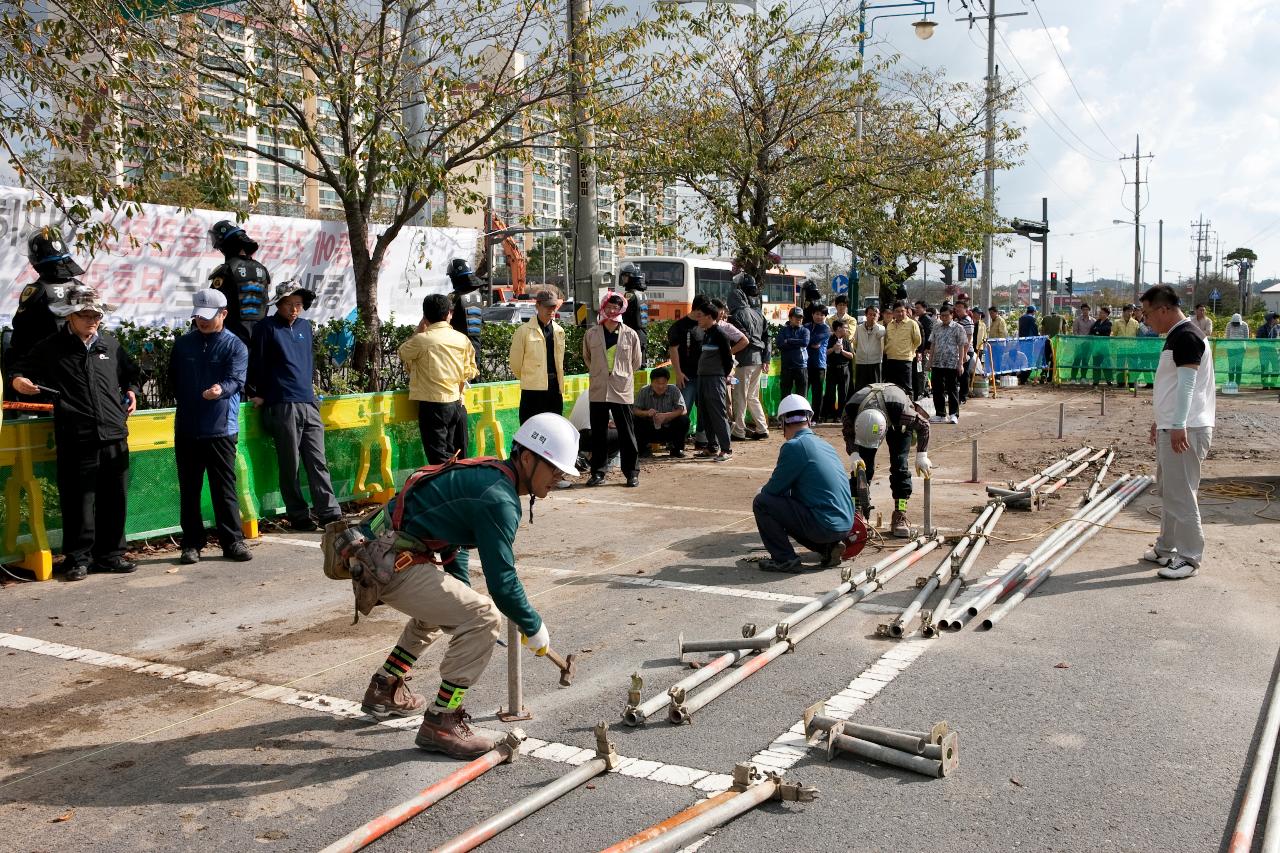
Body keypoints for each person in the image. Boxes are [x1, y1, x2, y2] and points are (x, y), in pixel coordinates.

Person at [329, 413, 579, 758]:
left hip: (378, 551)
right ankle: (441, 721)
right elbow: (503, 582)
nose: (559, 477)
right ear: (526, 457)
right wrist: (533, 625)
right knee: (484, 617)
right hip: (384, 560)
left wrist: (460, 600)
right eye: (554, 468)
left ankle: (385, 687)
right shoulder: (499, 499)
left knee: (453, 611)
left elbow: (450, 539)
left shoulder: (491, 474)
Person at [9, 286, 140, 581]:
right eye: (85, 315)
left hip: (114, 433)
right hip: (76, 436)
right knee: (78, 500)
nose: (92, 320)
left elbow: (131, 374)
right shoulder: (51, 347)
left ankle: (112, 554)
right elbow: (17, 369)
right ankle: (79, 558)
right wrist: (19, 382)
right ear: (70, 316)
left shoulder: (110, 345)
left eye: (96, 315)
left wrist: (132, 391)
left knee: (115, 498)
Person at [248, 281, 342, 531]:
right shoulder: (265, 328)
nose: (294, 309)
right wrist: (257, 393)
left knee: (317, 460)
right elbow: (256, 363)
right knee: (291, 464)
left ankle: (330, 513)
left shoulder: (305, 326)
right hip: (282, 403)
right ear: (278, 304)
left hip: (308, 401)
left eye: (298, 304)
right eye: (290, 304)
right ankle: (298, 515)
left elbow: (308, 363)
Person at [1139, 285, 1215, 580]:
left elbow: (1187, 386)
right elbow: (1174, 388)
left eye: (1147, 314)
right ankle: (1167, 547)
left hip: (1187, 427)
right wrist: (1163, 419)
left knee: (1182, 494)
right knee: (1170, 489)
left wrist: (1178, 423)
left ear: (1163, 310)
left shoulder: (1187, 336)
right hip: (1176, 424)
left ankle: (1189, 557)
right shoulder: (1177, 336)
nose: (1146, 320)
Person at [170, 289, 252, 564]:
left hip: (221, 428)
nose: (202, 322)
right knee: (190, 488)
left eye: (208, 317)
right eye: (198, 317)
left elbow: (237, 380)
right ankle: (191, 543)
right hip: (187, 428)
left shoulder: (235, 346)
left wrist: (221, 389)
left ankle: (233, 541)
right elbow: (172, 380)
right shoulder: (183, 345)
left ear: (223, 314)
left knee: (223, 487)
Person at [752, 394, 855, 573]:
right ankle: (828, 549)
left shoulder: (794, 446)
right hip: (845, 525)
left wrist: (763, 491)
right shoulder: (824, 444)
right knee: (793, 505)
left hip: (824, 525)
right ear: (809, 418)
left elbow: (773, 490)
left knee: (762, 503)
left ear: (783, 422)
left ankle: (785, 560)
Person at [841, 382, 933, 538]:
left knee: (900, 465)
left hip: (898, 423)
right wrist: (854, 454)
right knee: (862, 469)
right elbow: (848, 433)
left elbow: (924, 425)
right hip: (867, 418)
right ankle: (857, 511)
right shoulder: (851, 411)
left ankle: (900, 512)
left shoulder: (903, 413)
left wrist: (922, 455)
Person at [4, 230, 83, 403]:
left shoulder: (36, 291)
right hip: (79, 379)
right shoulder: (81, 288)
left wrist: (15, 375)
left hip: (45, 380)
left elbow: (20, 339)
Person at [400, 294, 478, 465]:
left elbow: (403, 352)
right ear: (449, 313)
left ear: (425, 317)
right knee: (455, 453)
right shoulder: (462, 339)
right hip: (457, 402)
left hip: (432, 404)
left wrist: (420, 329)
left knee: (438, 458)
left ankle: (446, 488)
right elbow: (471, 370)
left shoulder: (422, 340)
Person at [583, 292, 643, 486]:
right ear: (603, 307)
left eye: (615, 307)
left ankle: (631, 473)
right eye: (608, 306)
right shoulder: (592, 333)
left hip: (621, 388)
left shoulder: (630, 334)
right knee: (598, 432)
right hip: (599, 388)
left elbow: (636, 361)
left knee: (627, 432)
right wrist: (600, 372)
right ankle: (598, 472)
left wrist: (620, 373)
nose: (611, 310)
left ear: (621, 309)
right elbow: (587, 358)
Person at [692, 297, 747, 462]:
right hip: (703, 379)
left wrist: (721, 377)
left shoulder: (720, 334)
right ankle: (712, 447)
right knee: (705, 413)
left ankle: (726, 449)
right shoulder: (706, 334)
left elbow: (728, 359)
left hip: (714, 380)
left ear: (710, 317)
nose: (698, 318)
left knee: (717, 413)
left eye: (701, 315)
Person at [207, 220, 270, 344]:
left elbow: (211, 304)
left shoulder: (226, 270)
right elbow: (265, 303)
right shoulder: (262, 269)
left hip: (232, 337)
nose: (219, 248)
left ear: (226, 243)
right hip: (260, 337)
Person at [509, 288, 566, 424]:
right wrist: (530, 377)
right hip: (532, 389)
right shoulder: (523, 331)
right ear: (537, 305)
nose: (551, 311)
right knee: (530, 428)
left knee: (553, 428)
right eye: (547, 307)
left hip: (554, 388)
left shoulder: (559, 330)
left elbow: (560, 361)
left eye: (553, 307)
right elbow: (515, 363)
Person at [728, 274, 769, 440]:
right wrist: (766, 358)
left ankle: (738, 430)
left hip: (743, 361)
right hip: (758, 360)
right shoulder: (758, 314)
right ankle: (762, 427)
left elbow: (741, 339)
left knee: (740, 396)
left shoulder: (736, 315)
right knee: (752, 396)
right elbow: (767, 337)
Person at [667, 295, 710, 447]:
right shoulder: (680, 326)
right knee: (682, 409)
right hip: (686, 376)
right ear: (695, 309)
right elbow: (673, 350)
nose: (702, 315)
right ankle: (676, 442)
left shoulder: (706, 324)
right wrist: (678, 372)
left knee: (704, 409)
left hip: (704, 375)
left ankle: (702, 439)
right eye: (701, 312)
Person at [634, 367, 690, 458]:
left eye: (663, 383)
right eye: (657, 383)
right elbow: (635, 410)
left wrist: (667, 416)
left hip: (669, 427)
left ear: (667, 382)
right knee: (635, 419)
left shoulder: (674, 390)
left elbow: (683, 410)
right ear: (651, 382)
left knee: (684, 420)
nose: (660, 386)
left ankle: (677, 449)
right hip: (650, 427)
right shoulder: (644, 390)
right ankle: (643, 449)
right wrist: (647, 413)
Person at [928, 303, 968, 424]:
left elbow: (961, 346)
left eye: (946, 315)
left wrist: (960, 363)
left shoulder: (958, 328)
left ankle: (954, 414)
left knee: (952, 389)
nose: (944, 318)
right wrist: (929, 361)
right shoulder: (936, 327)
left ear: (952, 315)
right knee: (937, 389)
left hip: (951, 363)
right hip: (937, 362)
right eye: (942, 316)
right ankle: (940, 414)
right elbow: (933, 344)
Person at [882, 301, 921, 396]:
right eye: (897, 311)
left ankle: (908, 409)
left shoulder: (912, 324)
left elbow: (917, 341)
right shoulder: (890, 325)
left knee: (906, 387)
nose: (900, 313)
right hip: (891, 359)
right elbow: (886, 340)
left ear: (906, 311)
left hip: (905, 360)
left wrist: (909, 351)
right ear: (893, 313)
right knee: (891, 386)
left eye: (902, 311)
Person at [447, 259, 484, 353]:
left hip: (458, 349)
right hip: (476, 348)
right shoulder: (477, 295)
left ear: (454, 277)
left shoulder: (453, 297)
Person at [822, 319, 853, 421]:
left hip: (844, 369)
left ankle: (840, 415)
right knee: (830, 393)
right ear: (839, 328)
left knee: (843, 393)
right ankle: (830, 414)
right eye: (845, 327)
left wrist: (842, 351)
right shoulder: (829, 340)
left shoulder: (846, 341)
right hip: (831, 369)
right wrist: (833, 348)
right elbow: (824, 353)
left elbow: (851, 356)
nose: (847, 330)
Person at [619, 263, 650, 366]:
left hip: (631, 334)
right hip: (642, 334)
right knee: (641, 365)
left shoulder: (629, 295)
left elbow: (620, 312)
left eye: (625, 277)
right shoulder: (643, 294)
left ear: (632, 278)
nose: (623, 279)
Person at [776, 306, 810, 399]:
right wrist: (796, 342)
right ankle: (785, 413)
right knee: (785, 394)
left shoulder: (805, 330)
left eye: (801, 317)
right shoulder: (783, 330)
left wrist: (789, 341)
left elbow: (805, 342)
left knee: (802, 395)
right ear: (790, 318)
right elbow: (779, 344)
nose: (799, 319)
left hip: (801, 366)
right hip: (787, 367)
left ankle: (801, 413)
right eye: (796, 317)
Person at [852, 303, 885, 393]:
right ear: (866, 315)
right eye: (870, 314)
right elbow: (855, 343)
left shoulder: (881, 328)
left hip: (875, 361)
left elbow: (879, 336)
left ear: (878, 316)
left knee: (875, 388)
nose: (872, 317)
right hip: (861, 361)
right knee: (860, 387)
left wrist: (874, 326)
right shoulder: (859, 328)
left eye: (875, 315)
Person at [805, 303, 831, 411]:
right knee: (804, 391)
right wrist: (808, 343)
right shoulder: (806, 326)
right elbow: (804, 341)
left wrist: (807, 342)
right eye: (817, 314)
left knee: (817, 392)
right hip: (805, 363)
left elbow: (814, 341)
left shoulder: (826, 329)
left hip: (819, 364)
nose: (819, 317)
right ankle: (803, 414)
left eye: (822, 315)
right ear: (812, 314)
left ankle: (816, 417)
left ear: (825, 316)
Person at [1110, 303, 1141, 389]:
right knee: (1120, 366)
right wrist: (1113, 344)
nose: (1130, 313)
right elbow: (1113, 334)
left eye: (1131, 311)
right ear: (1123, 312)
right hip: (1121, 347)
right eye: (1128, 311)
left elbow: (1138, 335)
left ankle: (1132, 384)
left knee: (1133, 366)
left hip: (1132, 348)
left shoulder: (1135, 322)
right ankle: (1121, 383)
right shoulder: (1117, 322)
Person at [1039, 306, 1066, 384]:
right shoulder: (1061, 318)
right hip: (1057, 342)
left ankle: (1043, 374)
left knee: (1046, 359)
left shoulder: (1045, 318)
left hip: (1047, 341)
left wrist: (1042, 338)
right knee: (1054, 359)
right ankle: (1051, 377)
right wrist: (1064, 338)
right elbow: (1064, 329)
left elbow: (1042, 330)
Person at [912, 300, 933, 401]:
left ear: (924, 308)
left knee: (921, 371)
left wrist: (927, 348)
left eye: (918, 308)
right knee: (918, 370)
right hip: (918, 350)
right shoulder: (919, 318)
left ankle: (922, 391)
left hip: (923, 351)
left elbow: (929, 335)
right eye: (915, 308)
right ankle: (921, 389)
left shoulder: (927, 320)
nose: (916, 309)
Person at [1224, 312, 1251, 386]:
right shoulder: (1229, 324)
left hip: (1240, 348)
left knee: (1239, 366)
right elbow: (1227, 336)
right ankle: (1231, 382)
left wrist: (1245, 347)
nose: (1235, 324)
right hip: (1231, 348)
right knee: (1231, 366)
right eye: (1234, 323)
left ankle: (1238, 383)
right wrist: (1227, 346)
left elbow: (1246, 337)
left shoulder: (1245, 325)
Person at [1089, 306, 1113, 385]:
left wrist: (1097, 330)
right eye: (1100, 312)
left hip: (1105, 346)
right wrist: (1097, 331)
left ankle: (1109, 380)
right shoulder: (1097, 321)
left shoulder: (1109, 322)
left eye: (1102, 313)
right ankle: (1096, 380)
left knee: (1106, 363)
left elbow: (1106, 331)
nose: (1100, 314)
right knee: (1096, 363)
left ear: (1107, 314)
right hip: (1096, 346)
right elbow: (1092, 330)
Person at [1070, 303, 1094, 382]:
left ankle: (1083, 377)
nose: (1085, 311)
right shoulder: (1077, 320)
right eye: (1083, 309)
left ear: (1089, 310)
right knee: (1077, 360)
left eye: (1087, 309)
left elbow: (1094, 332)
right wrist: (1080, 338)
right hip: (1079, 344)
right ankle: (1073, 377)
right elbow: (1075, 331)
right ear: (1081, 310)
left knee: (1085, 361)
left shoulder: (1093, 321)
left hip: (1089, 344)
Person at [1258, 313, 1279, 388]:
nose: (1276, 320)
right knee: (1264, 368)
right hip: (1264, 351)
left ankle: (1273, 384)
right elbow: (1258, 340)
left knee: (1276, 368)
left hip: (1274, 351)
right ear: (1270, 319)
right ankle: (1265, 385)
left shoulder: (1277, 328)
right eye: (1275, 318)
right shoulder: (1262, 328)